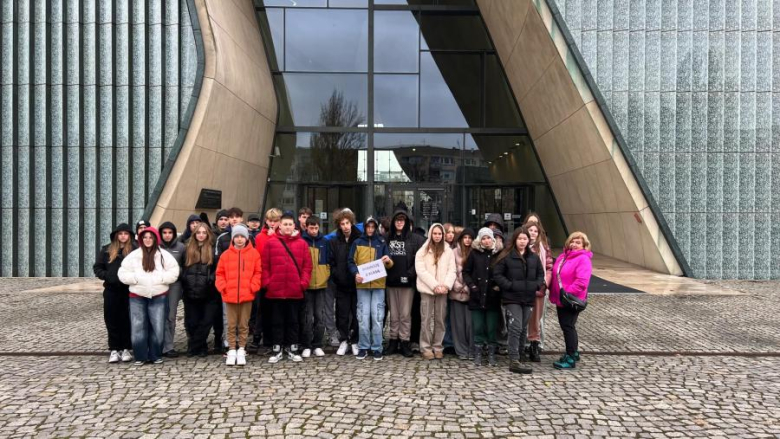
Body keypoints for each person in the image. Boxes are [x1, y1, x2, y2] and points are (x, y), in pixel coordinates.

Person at [118, 227, 180, 365]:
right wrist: (135, 279)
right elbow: (122, 272)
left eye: (150, 237)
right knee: (138, 325)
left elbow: (174, 270)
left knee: (157, 325)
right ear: (141, 239)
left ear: (155, 239)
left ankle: (155, 355)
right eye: (145, 237)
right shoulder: (134, 255)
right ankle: (140, 356)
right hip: (137, 295)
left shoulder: (163, 255)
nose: (147, 240)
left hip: (159, 295)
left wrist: (162, 280)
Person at [493, 227, 544, 375]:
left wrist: (536, 285)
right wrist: (510, 286)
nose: (522, 241)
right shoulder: (507, 255)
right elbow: (497, 274)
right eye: (520, 239)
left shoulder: (533, 257)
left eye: (525, 239)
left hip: (528, 298)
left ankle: (521, 354)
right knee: (515, 326)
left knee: (522, 328)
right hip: (511, 297)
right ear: (515, 239)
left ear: (529, 240)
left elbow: (540, 274)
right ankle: (514, 359)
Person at [263, 213, 312, 364]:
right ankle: (277, 349)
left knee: (294, 321)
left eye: (290, 224)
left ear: (294, 226)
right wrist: (267, 283)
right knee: (276, 321)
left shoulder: (302, 244)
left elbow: (307, 267)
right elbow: (264, 266)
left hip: (294, 290)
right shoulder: (271, 243)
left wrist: (302, 283)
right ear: (280, 226)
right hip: (275, 291)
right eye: (285, 224)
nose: (288, 227)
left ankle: (292, 348)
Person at [215, 224, 262, 366]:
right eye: (237, 237)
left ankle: (241, 348)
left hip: (247, 295)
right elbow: (219, 274)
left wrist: (253, 287)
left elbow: (257, 273)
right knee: (230, 324)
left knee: (243, 324)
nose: (240, 239)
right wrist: (223, 288)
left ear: (247, 238)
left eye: (242, 236)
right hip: (229, 295)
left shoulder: (254, 254)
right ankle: (231, 349)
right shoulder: (226, 255)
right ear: (233, 238)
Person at [348, 217, 394, 360]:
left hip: (378, 285)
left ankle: (377, 347)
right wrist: (355, 273)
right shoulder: (357, 243)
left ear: (375, 228)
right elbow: (350, 261)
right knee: (362, 317)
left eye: (373, 227)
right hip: (362, 286)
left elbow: (390, 263)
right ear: (365, 227)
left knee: (377, 317)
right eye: (368, 227)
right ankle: (363, 346)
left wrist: (388, 261)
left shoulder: (381, 242)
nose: (370, 229)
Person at [384, 208, 426, 357]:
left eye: (402, 219)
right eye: (397, 220)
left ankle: (404, 341)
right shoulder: (386, 238)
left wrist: (410, 274)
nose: (400, 222)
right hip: (390, 282)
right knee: (393, 315)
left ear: (407, 222)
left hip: (408, 283)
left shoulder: (416, 239)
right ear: (393, 222)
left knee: (405, 314)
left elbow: (421, 261)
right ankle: (393, 341)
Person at [94, 223, 136, 363]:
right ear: (117, 235)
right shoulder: (107, 250)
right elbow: (98, 267)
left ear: (129, 235)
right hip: (111, 290)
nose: (123, 236)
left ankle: (125, 348)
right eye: (121, 234)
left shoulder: (135, 250)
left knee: (126, 320)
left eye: (126, 234)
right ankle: (114, 348)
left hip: (128, 290)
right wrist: (108, 276)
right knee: (111, 319)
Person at [550, 231, 592, 370]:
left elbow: (582, 282)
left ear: (584, 246)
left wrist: (567, 294)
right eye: (572, 241)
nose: (574, 244)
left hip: (570, 299)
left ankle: (570, 356)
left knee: (568, 326)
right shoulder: (564, 256)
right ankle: (573, 353)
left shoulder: (583, 259)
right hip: (561, 299)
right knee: (566, 326)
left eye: (578, 242)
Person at [415, 223, 457, 360]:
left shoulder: (449, 251)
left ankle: (438, 346)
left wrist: (445, 285)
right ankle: (426, 347)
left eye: (440, 234)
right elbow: (421, 271)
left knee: (440, 319)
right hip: (427, 289)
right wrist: (434, 285)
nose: (437, 236)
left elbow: (452, 270)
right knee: (425, 319)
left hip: (443, 290)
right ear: (431, 234)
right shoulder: (422, 251)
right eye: (435, 233)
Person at [462, 227, 501, 367]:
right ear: (480, 240)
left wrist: (498, 285)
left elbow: (503, 272)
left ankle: (491, 353)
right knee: (478, 326)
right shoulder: (474, 254)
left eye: (488, 238)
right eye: (483, 238)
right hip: (477, 296)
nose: (486, 241)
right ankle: (478, 351)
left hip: (492, 296)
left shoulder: (499, 254)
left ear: (493, 239)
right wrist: (472, 285)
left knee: (491, 327)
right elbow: (466, 272)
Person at [180, 223, 220, 357]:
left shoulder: (213, 249)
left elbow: (218, 268)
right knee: (192, 322)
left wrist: (212, 278)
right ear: (194, 234)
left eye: (204, 232)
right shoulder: (187, 249)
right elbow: (181, 266)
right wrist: (184, 278)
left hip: (209, 292)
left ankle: (193, 346)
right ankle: (200, 347)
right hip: (190, 291)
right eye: (198, 232)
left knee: (206, 321)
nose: (201, 235)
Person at [329, 208, 362, 356]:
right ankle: (344, 340)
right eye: (342, 224)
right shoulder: (334, 241)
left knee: (356, 314)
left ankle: (355, 340)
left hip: (357, 284)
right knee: (341, 314)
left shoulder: (359, 238)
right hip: (341, 284)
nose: (345, 226)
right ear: (339, 225)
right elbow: (332, 261)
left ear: (352, 223)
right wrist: (336, 275)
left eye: (347, 223)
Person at [251, 208, 282, 353]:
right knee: (261, 310)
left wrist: (274, 237)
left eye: (276, 221)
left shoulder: (281, 236)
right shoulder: (259, 237)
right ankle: (258, 337)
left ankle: (272, 339)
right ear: (266, 221)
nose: (273, 224)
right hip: (263, 277)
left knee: (275, 311)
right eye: (270, 221)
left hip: (278, 278)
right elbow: (260, 257)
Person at [301, 216, 330, 358]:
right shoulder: (301, 241)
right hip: (306, 285)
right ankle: (306, 344)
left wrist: (326, 274)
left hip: (321, 285)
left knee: (320, 316)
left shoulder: (324, 242)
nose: (313, 230)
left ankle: (317, 344)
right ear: (306, 227)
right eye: (311, 228)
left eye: (316, 228)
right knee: (307, 316)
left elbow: (329, 260)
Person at [525, 221, 553, 362]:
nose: (533, 233)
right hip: (522, 289)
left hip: (538, 289)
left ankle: (534, 346)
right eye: (530, 230)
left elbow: (549, 267)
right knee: (522, 318)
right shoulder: (520, 246)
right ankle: (521, 346)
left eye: (535, 231)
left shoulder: (543, 248)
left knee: (536, 320)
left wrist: (544, 283)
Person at [158, 221, 186, 358]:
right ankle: (160, 344)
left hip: (175, 284)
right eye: (164, 232)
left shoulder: (181, 247)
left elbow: (186, 266)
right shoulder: (156, 247)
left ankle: (169, 346)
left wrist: (177, 272)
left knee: (171, 316)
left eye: (170, 232)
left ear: (174, 234)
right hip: (159, 284)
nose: (167, 235)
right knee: (159, 315)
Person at [450, 228, 475, 360]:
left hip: (471, 293)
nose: (467, 240)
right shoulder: (453, 253)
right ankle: (461, 351)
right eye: (465, 237)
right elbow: (450, 271)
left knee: (471, 325)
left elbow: (477, 273)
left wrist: (469, 287)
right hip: (456, 293)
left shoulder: (476, 252)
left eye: (470, 238)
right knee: (458, 324)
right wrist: (457, 286)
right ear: (460, 239)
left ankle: (472, 350)